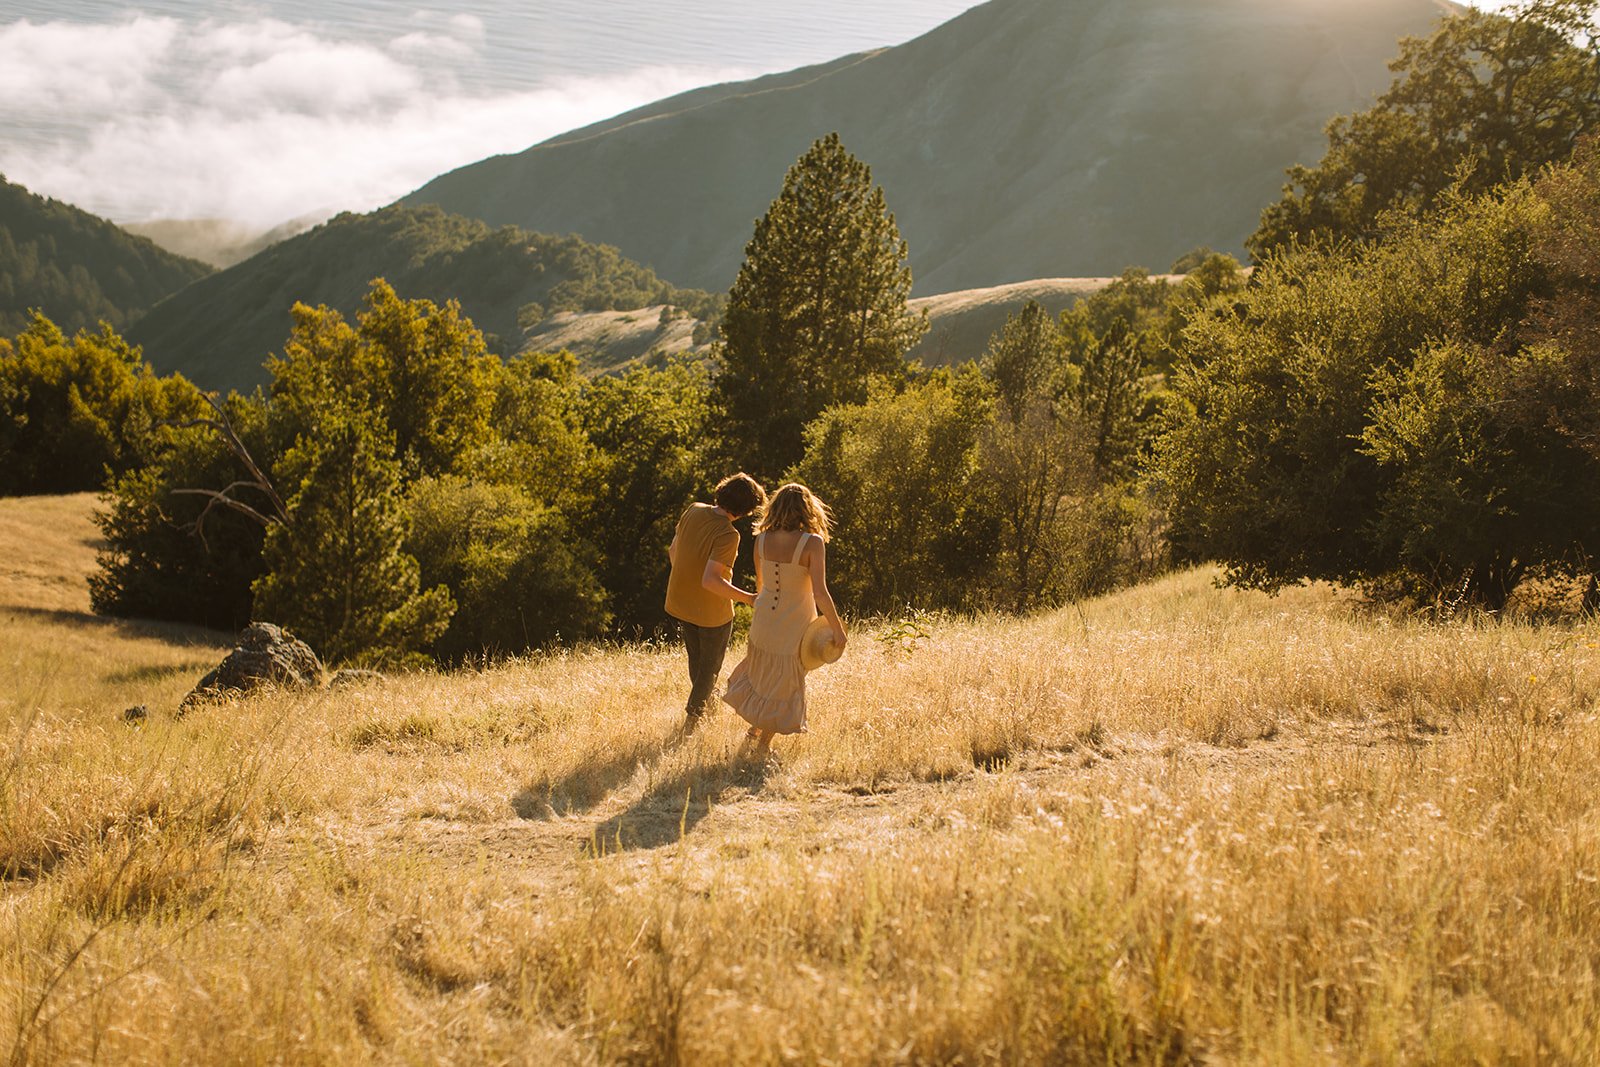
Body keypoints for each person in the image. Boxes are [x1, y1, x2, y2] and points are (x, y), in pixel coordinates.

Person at [722, 482, 847, 761]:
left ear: (776, 507)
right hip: (795, 621)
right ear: (808, 508)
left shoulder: (762, 539)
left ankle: (755, 732)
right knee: (787, 683)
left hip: (765, 617)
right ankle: (763, 746)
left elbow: (762, 583)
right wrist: (837, 629)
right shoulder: (812, 542)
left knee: (764, 677)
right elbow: (820, 592)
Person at [665, 473, 766, 731]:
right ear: (745, 510)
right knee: (708, 670)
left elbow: (673, 551)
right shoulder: (728, 534)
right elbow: (711, 581)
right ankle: (692, 721)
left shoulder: (693, 509)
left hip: (681, 602)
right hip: (712, 613)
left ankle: (706, 710)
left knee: (697, 664)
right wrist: (750, 598)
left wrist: (685, 580)